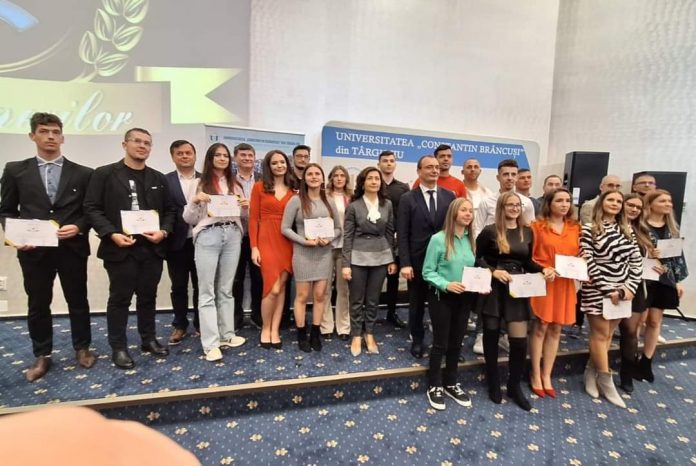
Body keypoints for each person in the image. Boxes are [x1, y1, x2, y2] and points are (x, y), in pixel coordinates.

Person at [0, 112, 95, 382]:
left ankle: (82, 347)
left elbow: (89, 210)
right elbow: (6, 210)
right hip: (33, 250)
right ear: (33, 136)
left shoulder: (83, 173)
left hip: (72, 247)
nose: (50, 137)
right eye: (44, 131)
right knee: (38, 303)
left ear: (63, 137)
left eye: (55, 132)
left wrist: (79, 226)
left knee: (78, 299)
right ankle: (42, 354)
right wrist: (15, 236)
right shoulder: (15, 170)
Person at [84, 128, 176, 369]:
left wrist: (164, 232)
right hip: (120, 248)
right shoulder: (104, 174)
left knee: (148, 297)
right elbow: (92, 208)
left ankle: (148, 339)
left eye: (147, 143)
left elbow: (170, 211)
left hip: (152, 249)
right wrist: (111, 233)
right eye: (137, 141)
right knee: (120, 299)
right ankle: (119, 347)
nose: (142, 146)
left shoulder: (158, 178)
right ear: (124, 144)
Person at [476, 192, 553, 411]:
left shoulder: (527, 231)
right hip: (494, 288)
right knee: (491, 336)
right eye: (510, 205)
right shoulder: (490, 231)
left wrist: (543, 269)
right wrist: (493, 271)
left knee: (519, 342)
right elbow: (477, 258)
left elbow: (527, 262)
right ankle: (493, 382)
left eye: (517, 205)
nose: (514, 208)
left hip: (517, 289)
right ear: (501, 207)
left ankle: (513, 385)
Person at [182, 143, 247, 362]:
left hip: (232, 235)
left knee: (226, 289)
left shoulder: (235, 184)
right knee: (207, 290)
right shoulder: (198, 183)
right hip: (208, 235)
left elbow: (243, 215)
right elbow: (188, 218)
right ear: (210, 158)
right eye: (217, 155)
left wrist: (245, 206)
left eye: (225, 155)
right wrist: (195, 201)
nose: (222, 158)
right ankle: (210, 343)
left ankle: (227, 334)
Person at [580, 190, 642, 408]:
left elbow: (636, 261)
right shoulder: (588, 229)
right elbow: (588, 262)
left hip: (623, 291)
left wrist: (629, 288)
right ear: (601, 202)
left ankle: (591, 373)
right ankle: (607, 382)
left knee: (607, 335)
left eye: (618, 201)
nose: (615, 203)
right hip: (597, 290)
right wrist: (608, 290)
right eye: (611, 200)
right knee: (600, 334)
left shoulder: (627, 229)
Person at [471, 159, 535, 355]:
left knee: (515, 324)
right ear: (498, 177)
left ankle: (505, 336)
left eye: (513, 174)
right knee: (488, 310)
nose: (510, 178)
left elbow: (528, 230)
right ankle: (481, 334)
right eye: (506, 174)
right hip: (491, 260)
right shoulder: (487, 201)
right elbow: (477, 229)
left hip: (515, 269)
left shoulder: (526, 203)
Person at [398, 155, 456, 359]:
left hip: (443, 262)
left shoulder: (450, 196)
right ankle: (417, 340)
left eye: (437, 167)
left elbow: (454, 229)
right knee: (416, 305)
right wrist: (405, 263)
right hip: (417, 261)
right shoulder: (407, 198)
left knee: (443, 306)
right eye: (429, 167)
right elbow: (402, 233)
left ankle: (444, 343)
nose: (434, 170)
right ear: (419, 171)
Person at [422, 198, 478, 410]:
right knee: (441, 343)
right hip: (442, 297)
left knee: (457, 342)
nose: (468, 214)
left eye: (470, 211)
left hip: (464, 298)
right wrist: (446, 284)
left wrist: (480, 284)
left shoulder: (471, 240)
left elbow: (472, 270)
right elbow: (427, 272)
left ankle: (451, 382)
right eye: (463, 210)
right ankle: (434, 384)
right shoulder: (438, 239)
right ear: (454, 213)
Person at [281, 163, 341, 352]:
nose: (314, 177)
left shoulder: (329, 201)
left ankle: (315, 333)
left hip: (323, 254)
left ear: (322, 178)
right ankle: (301, 333)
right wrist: (304, 241)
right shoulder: (296, 200)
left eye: (317, 174)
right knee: (301, 296)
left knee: (320, 295)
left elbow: (338, 228)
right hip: (303, 253)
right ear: (304, 178)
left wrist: (329, 238)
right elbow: (285, 228)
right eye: (310, 174)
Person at [529, 188, 580, 398]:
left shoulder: (575, 228)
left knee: (557, 328)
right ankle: (535, 374)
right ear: (549, 204)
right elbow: (529, 257)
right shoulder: (536, 226)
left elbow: (580, 255)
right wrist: (543, 269)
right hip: (545, 281)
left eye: (567, 200)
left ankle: (547, 374)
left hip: (565, 283)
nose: (564, 204)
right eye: (559, 200)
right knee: (540, 326)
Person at [342, 167, 396, 356]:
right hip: (357, 256)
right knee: (356, 299)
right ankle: (356, 335)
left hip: (381, 256)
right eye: (370, 178)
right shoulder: (354, 206)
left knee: (373, 299)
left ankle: (370, 333)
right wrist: (345, 264)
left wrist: (391, 259)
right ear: (363, 182)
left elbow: (389, 232)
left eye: (377, 178)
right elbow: (347, 236)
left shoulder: (387, 204)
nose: (374, 181)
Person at [636, 189, 688, 383]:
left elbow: (677, 258)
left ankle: (646, 361)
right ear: (650, 204)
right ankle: (631, 357)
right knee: (638, 321)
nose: (668, 204)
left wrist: (677, 281)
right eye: (663, 201)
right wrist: (650, 254)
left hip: (665, 280)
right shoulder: (639, 226)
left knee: (654, 321)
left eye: (669, 201)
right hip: (643, 278)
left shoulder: (672, 229)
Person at [249, 150, 294, 349]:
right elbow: (253, 219)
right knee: (271, 288)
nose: (279, 166)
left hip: (287, 241)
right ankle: (265, 328)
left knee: (281, 287)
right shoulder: (259, 187)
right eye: (274, 163)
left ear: (287, 164)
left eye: (282, 162)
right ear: (268, 166)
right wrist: (254, 247)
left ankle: (275, 329)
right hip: (266, 240)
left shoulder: (293, 189)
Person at [164, 140, 200, 345]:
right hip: (175, 242)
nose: (185, 156)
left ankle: (200, 324)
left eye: (188, 152)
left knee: (201, 285)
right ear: (173, 157)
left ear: (195, 155)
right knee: (178, 285)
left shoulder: (206, 179)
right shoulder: (164, 180)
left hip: (201, 241)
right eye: (180, 153)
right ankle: (180, 325)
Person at [617, 193, 652, 393]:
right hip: (613, 284)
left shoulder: (642, 231)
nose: (634, 209)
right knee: (605, 331)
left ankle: (626, 374)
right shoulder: (612, 226)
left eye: (638, 207)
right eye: (630, 205)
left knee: (630, 331)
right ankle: (595, 370)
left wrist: (655, 260)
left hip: (636, 286)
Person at [231, 143, 263, 330]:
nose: (247, 158)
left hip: (258, 237)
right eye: (243, 155)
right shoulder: (228, 180)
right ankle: (236, 318)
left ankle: (258, 316)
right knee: (236, 278)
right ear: (235, 158)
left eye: (250, 155)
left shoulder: (263, 179)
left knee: (259, 278)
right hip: (235, 235)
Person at [377, 150, 409, 328]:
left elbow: (407, 214)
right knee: (373, 280)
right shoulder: (373, 184)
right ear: (379, 164)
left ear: (395, 164)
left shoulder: (403, 188)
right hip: (375, 240)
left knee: (393, 279)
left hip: (396, 240)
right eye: (385, 161)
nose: (388, 163)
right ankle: (369, 315)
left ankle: (391, 313)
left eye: (391, 161)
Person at [321, 165, 353, 340]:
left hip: (345, 247)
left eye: (342, 175)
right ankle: (326, 326)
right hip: (326, 247)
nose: (339, 178)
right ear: (331, 178)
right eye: (336, 175)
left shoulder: (352, 197)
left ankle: (344, 327)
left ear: (346, 179)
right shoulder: (323, 196)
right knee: (324, 288)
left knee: (343, 289)